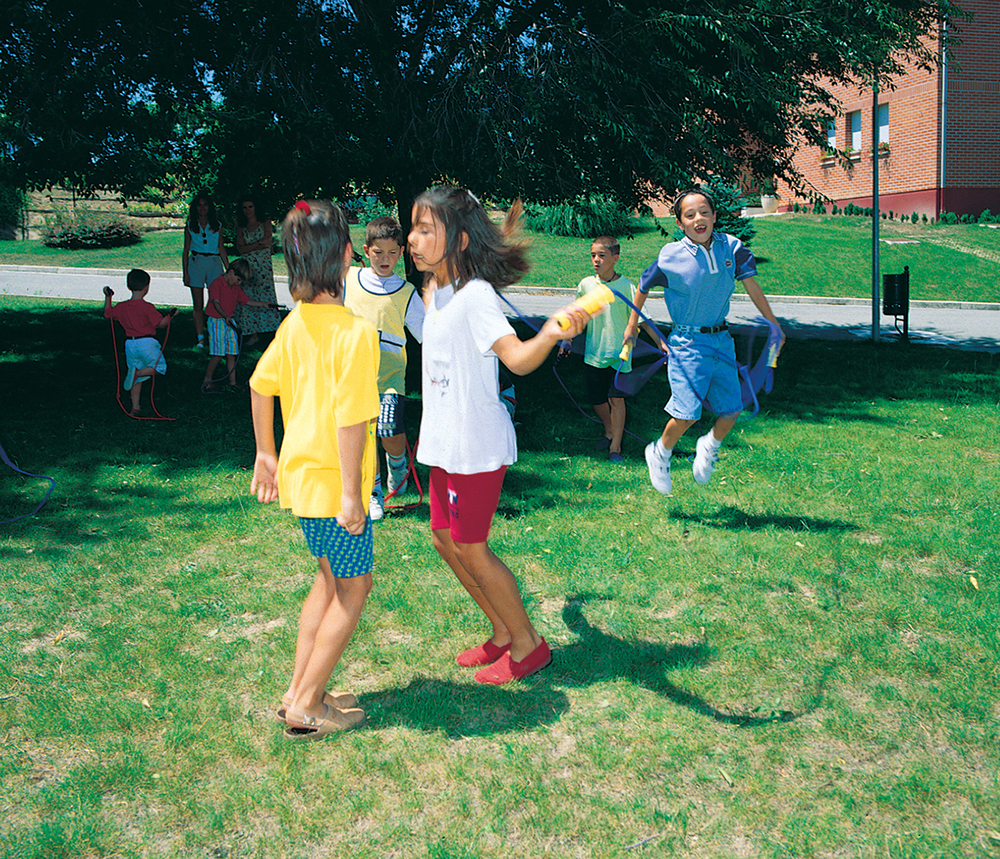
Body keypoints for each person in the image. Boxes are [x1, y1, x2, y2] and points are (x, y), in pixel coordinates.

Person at [409, 185, 590, 685]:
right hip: (444, 441)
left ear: (460, 240)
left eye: (426, 229)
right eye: (414, 227)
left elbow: (517, 359)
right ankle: (503, 631)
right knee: (445, 540)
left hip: (476, 444)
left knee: (471, 546)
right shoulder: (434, 291)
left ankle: (529, 645)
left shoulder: (476, 297)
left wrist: (550, 332)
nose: (412, 239)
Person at [249, 199, 380, 740]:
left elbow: (260, 384)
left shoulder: (295, 323)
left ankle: (299, 689)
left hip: (303, 485)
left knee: (328, 583)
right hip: (333, 491)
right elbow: (352, 419)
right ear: (347, 256)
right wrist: (353, 494)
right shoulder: (353, 333)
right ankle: (306, 706)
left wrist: (266, 453)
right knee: (354, 588)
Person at [623, 187, 785, 494]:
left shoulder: (732, 248)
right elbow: (643, 286)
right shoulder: (671, 256)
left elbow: (751, 284)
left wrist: (773, 323)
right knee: (685, 414)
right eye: (690, 214)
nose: (699, 218)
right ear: (680, 223)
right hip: (687, 343)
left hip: (722, 340)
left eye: (704, 212)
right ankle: (659, 452)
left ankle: (709, 446)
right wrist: (633, 325)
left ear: (715, 216)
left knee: (732, 408)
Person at [344, 216, 425, 521]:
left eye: (392, 253)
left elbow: (426, 334)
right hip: (354, 375)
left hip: (390, 377)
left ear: (402, 252)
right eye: (378, 252)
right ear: (366, 250)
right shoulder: (349, 280)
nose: (385, 259)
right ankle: (373, 493)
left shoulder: (406, 293)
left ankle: (397, 461)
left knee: (388, 427)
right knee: (364, 435)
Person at [567, 236, 647, 463]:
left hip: (620, 356)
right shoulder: (586, 285)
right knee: (596, 399)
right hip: (595, 353)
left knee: (616, 399)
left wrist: (661, 344)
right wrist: (568, 339)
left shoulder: (627, 286)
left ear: (615, 258)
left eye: (601, 255)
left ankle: (615, 447)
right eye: (593, 255)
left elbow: (641, 318)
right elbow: (578, 316)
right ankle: (610, 429)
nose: (596, 260)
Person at [103, 269, 177, 416]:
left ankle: (135, 407)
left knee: (135, 376)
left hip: (130, 344)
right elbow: (161, 324)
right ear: (147, 287)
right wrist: (171, 315)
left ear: (129, 286)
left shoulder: (122, 307)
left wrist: (108, 297)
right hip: (147, 342)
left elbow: (107, 314)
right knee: (160, 367)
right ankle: (139, 372)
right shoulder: (146, 307)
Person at [202, 258, 272, 392]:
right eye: (238, 280)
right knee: (218, 354)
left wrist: (263, 304)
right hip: (217, 321)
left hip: (229, 321)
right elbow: (215, 303)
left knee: (231, 353)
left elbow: (246, 301)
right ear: (231, 272)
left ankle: (233, 382)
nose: (238, 283)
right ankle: (207, 380)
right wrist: (225, 316)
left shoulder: (235, 287)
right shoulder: (216, 284)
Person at [182, 192, 229, 350]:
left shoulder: (217, 225)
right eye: (199, 205)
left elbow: (221, 247)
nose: (202, 208)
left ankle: (215, 333)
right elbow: (186, 249)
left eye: (205, 205)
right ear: (195, 207)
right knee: (198, 304)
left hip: (214, 262)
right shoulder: (190, 226)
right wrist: (185, 272)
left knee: (216, 300)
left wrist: (228, 268)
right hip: (196, 262)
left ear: (210, 207)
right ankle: (200, 337)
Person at [234, 196, 282, 347]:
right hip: (248, 268)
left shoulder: (265, 223)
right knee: (248, 297)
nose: (248, 210)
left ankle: (272, 332)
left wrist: (251, 246)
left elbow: (268, 242)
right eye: (245, 208)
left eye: (250, 207)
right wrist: (258, 244)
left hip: (263, 267)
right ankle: (253, 334)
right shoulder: (242, 227)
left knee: (265, 294)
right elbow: (240, 249)